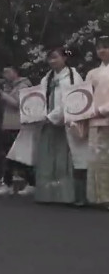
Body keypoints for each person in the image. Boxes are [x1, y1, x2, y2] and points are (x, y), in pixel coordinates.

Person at [33, 46, 87, 205]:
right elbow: (39, 97)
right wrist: (40, 114)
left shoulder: (73, 77)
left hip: (66, 122)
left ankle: (66, 195)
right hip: (48, 122)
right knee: (47, 156)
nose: (52, 61)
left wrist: (53, 116)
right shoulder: (47, 77)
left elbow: (72, 100)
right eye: (50, 58)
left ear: (64, 58)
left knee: (64, 158)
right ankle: (47, 194)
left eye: (55, 57)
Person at [0, 66, 36, 196]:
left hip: (19, 124)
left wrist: (1, 94)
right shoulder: (7, 86)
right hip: (8, 124)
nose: (5, 75)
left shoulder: (23, 86)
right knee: (8, 156)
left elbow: (17, 103)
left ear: (16, 72)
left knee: (17, 156)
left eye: (8, 71)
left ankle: (25, 182)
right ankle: (10, 183)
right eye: (4, 72)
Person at [84, 36, 109, 209]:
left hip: (103, 115)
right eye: (99, 47)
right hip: (94, 120)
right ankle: (100, 198)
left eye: (106, 47)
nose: (102, 50)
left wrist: (102, 109)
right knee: (96, 161)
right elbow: (83, 96)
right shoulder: (92, 73)